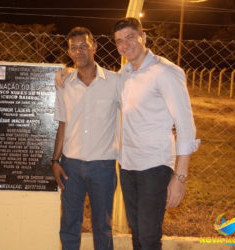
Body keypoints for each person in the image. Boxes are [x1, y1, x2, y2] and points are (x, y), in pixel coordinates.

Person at [114, 17, 200, 250]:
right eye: (119, 41)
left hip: (154, 166)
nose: (125, 45)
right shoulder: (125, 73)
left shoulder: (165, 72)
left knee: (150, 238)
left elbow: (185, 125)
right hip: (128, 166)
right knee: (138, 235)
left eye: (130, 37)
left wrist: (179, 178)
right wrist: (68, 72)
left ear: (144, 38)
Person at [51, 27, 120, 250]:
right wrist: (55, 160)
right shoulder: (65, 85)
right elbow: (62, 123)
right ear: (69, 52)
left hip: (103, 166)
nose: (79, 51)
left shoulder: (115, 82)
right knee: (69, 224)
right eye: (73, 48)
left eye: (84, 45)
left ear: (95, 46)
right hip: (70, 165)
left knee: (103, 227)